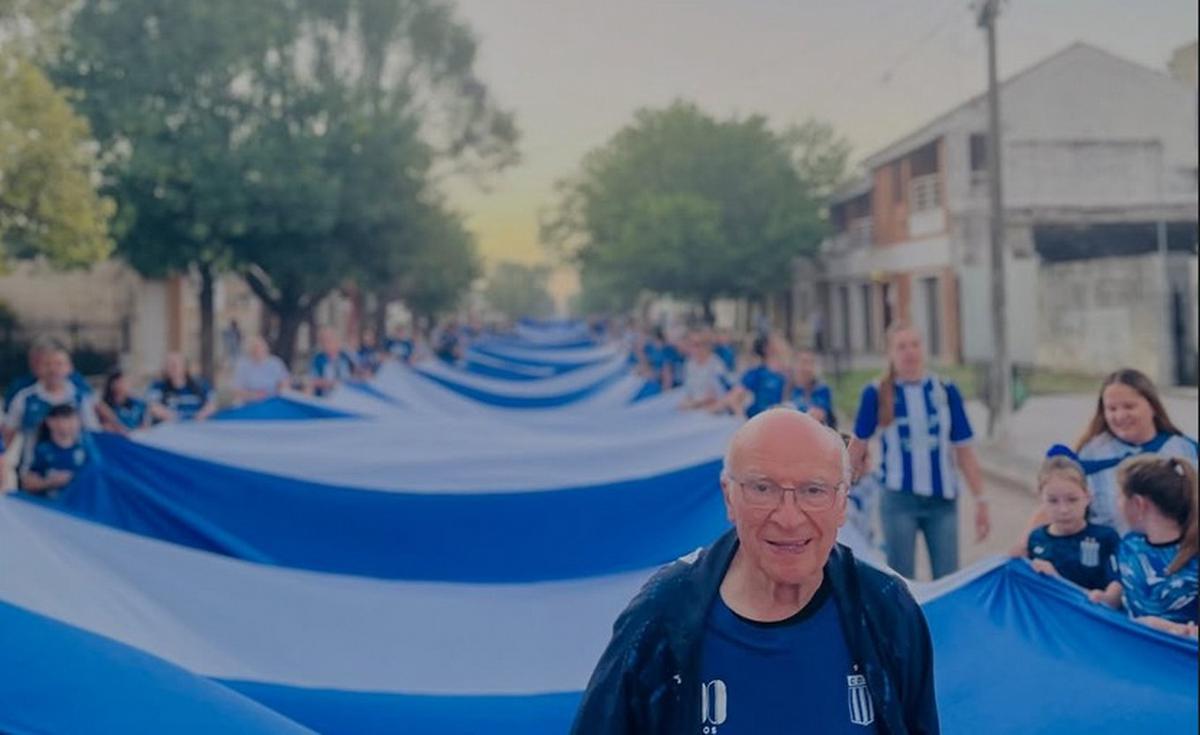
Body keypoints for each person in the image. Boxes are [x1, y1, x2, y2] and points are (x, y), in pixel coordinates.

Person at [572, 409, 938, 734]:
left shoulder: (885, 610)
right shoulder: (663, 616)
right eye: (763, 489)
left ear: (842, 503)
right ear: (729, 497)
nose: (789, 518)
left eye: (814, 491)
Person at [848, 322, 989, 580]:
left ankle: (941, 623)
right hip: (899, 499)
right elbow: (857, 447)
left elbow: (964, 451)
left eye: (915, 344)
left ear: (924, 348)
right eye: (901, 346)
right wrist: (839, 490)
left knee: (948, 579)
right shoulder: (876, 393)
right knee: (901, 581)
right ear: (890, 353)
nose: (910, 352)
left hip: (942, 501)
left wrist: (981, 499)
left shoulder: (946, 391)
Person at [1073, 369, 1196, 533]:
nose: (1120, 415)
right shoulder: (1091, 453)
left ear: (1152, 406)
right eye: (1112, 409)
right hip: (1108, 552)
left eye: (1129, 406)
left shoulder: (1185, 449)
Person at [1089, 456, 1198, 639]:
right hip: (1134, 656)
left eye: (1119, 496)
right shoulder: (1128, 545)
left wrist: (1170, 628)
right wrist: (1102, 598)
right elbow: (1117, 595)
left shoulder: (1194, 557)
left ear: (1139, 504)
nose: (1117, 504)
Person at [1025, 445, 1120, 591]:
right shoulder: (1036, 539)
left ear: (1088, 497)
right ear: (1041, 500)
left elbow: (1117, 589)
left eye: (1072, 499)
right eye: (1053, 501)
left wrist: (1108, 597)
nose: (1063, 510)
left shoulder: (1106, 538)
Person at [3, 345, 99, 471]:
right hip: (33, 474)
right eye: (47, 364)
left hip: (76, 474)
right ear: (39, 368)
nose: (53, 369)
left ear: (69, 368)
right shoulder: (25, 398)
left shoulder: (80, 398)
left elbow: (94, 434)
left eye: (59, 364)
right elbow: (7, 435)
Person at [19, 403, 91, 499]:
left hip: (75, 509)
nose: (73, 423)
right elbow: (27, 484)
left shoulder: (86, 450)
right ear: (51, 422)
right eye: (67, 419)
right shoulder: (42, 450)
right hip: (49, 507)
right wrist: (49, 483)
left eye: (75, 419)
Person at [3, 339, 92, 413]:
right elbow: (9, 414)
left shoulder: (75, 381)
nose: (52, 369)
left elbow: (94, 404)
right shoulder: (21, 388)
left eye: (39, 361)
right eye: (33, 361)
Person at [722, 334, 789, 419]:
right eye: (777, 342)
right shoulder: (757, 373)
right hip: (761, 421)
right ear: (767, 348)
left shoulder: (788, 374)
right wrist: (743, 420)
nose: (782, 344)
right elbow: (732, 398)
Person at [146, 353, 216, 423]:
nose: (171, 368)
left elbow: (211, 406)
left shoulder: (201, 386)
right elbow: (153, 407)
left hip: (196, 428)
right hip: (168, 430)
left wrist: (199, 417)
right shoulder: (158, 386)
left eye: (174, 365)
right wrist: (173, 417)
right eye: (168, 365)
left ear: (185, 367)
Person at [678, 331, 729, 411]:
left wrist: (693, 404)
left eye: (697, 345)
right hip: (693, 408)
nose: (694, 348)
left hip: (712, 411)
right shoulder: (689, 364)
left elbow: (715, 395)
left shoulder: (717, 365)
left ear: (707, 346)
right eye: (691, 344)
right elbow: (688, 391)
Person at [231, 336, 290, 405]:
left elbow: (285, 384)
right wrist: (253, 395)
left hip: (272, 402)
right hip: (250, 403)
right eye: (255, 348)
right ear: (250, 351)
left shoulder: (276, 363)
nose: (259, 350)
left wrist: (279, 394)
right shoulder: (242, 365)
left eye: (261, 347)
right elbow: (236, 390)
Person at [790, 348, 837, 429]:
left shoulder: (822, 389)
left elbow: (818, 414)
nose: (807, 368)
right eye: (803, 362)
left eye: (811, 363)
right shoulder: (787, 388)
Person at [308, 327, 357, 397]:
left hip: (346, 397)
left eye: (330, 340)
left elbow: (355, 374)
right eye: (323, 341)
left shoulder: (346, 357)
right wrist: (331, 384)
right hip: (326, 399)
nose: (326, 344)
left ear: (337, 341)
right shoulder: (318, 359)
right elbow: (312, 381)